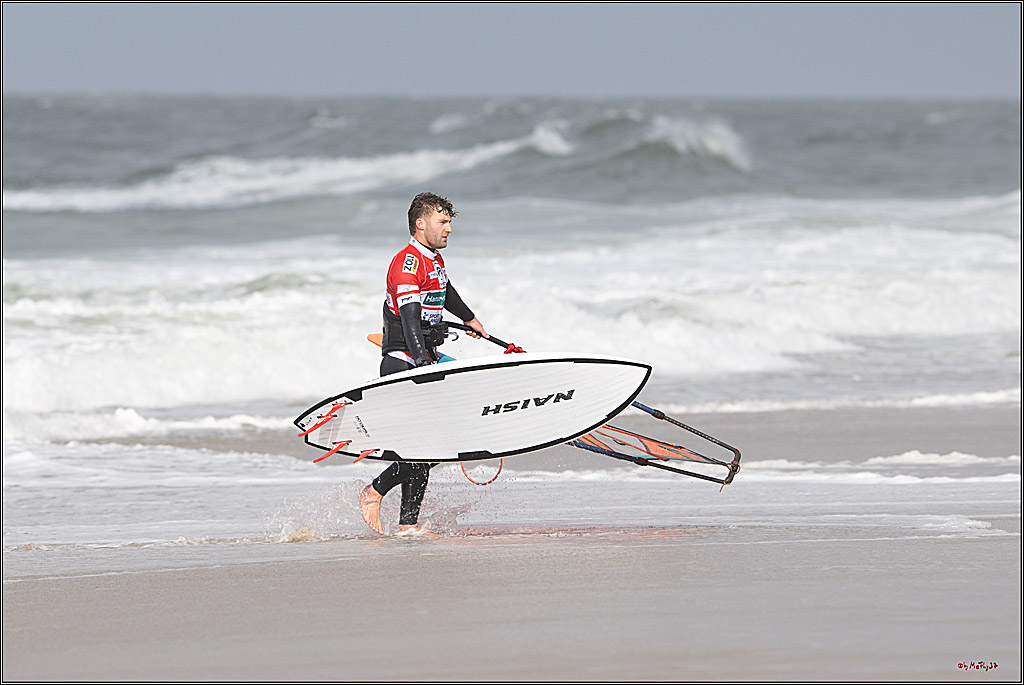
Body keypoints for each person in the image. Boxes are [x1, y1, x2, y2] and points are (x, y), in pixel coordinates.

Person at [359, 192, 488, 536]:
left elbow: (445, 292)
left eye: (449, 222)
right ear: (421, 224)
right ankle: (375, 491)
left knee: (427, 444)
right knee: (428, 445)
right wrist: (421, 368)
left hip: (423, 356)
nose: (449, 229)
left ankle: (407, 526)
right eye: (442, 222)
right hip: (403, 361)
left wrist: (470, 318)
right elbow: (411, 320)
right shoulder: (406, 264)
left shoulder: (434, 260)